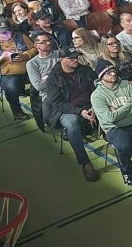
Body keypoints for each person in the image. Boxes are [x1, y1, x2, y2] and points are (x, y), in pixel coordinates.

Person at [42, 49, 100, 181]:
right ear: (61, 60)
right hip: (68, 110)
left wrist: (95, 106)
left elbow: (97, 89)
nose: (76, 60)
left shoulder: (86, 71)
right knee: (72, 125)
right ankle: (85, 162)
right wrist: (79, 111)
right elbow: (59, 103)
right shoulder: (53, 79)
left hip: (91, 105)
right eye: (72, 58)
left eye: (76, 57)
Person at [90, 65, 132, 186]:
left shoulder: (125, 84)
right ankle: (128, 174)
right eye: (108, 73)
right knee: (124, 146)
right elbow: (110, 118)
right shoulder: (97, 96)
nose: (113, 74)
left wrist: (118, 112)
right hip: (115, 128)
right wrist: (128, 105)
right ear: (101, 77)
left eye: (113, 71)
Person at [0, 19, 36, 121]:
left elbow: (34, 49)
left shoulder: (21, 37)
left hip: (28, 69)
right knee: (11, 88)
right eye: (3, 32)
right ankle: (17, 110)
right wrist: (0, 58)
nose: (6, 34)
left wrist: (24, 55)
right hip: (8, 74)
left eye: (8, 31)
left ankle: (39, 107)